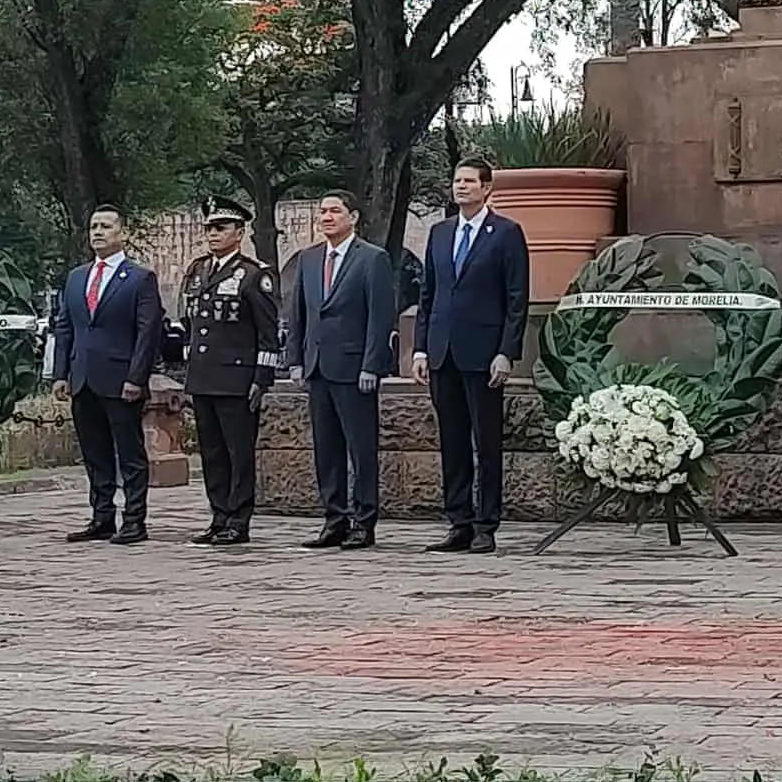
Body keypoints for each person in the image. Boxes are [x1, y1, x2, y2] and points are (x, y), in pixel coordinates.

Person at [412, 156, 530, 555]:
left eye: (469, 181)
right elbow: (428, 295)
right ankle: (458, 521)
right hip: (443, 352)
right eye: (457, 181)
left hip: (483, 355)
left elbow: (517, 299)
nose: (461, 187)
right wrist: (421, 347)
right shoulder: (441, 233)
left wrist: (506, 352)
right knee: (453, 441)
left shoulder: (506, 233)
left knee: (486, 442)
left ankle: (486, 524)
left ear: (486, 188)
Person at [286, 190, 397, 550]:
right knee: (326, 448)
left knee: (360, 449)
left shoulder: (372, 259)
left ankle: (364, 522)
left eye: (335, 211)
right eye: (323, 211)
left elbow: (380, 317)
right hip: (318, 366)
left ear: (353, 218)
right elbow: (299, 313)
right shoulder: (308, 259)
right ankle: (334, 518)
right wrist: (297, 361)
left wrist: (372, 364)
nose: (327, 217)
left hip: (353, 369)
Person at [51, 204, 165, 545]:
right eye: (93, 227)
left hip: (120, 379)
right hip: (83, 377)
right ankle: (102, 516)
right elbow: (65, 327)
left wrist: (136, 377)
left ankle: (134, 519)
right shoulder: (76, 278)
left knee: (129, 452)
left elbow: (148, 333)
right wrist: (60, 373)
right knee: (94, 451)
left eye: (105, 226)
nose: (98, 232)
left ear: (122, 232)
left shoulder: (140, 278)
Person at [179, 195, 281, 546]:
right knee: (212, 452)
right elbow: (191, 324)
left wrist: (261, 379)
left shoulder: (253, 275)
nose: (213, 234)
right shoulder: (198, 270)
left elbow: (268, 333)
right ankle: (218, 514)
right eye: (209, 227)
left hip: (237, 378)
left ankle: (239, 519)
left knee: (239, 452)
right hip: (204, 376)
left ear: (239, 232)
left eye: (220, 227)